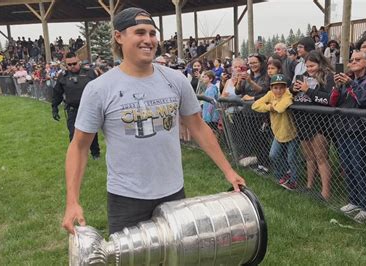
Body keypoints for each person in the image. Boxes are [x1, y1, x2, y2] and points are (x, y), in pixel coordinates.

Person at [61, 7, 246, 235]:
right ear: (119, 37)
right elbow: (79, 146)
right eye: (140, 32)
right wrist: (72, 201)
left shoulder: (175, 80)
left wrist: (228, 170)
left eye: (152, 33)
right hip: (126, 199)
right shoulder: (99, 89)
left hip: (173, 194)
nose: (148, 40)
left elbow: (197, 126)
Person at [330, 50, 366, 222]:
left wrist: (351, 83)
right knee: (348, 166)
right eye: (351, 59)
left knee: (361, 167)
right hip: (342, 128)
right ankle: (354, 200)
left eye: (357, 60)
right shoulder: (346, 79)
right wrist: (337, 87)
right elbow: (333, 102)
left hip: (360, 130)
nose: (352, 62)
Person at [291, 51, 334, 199]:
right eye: (307, 66)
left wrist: (307, 90)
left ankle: (325, 192)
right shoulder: (302, 77)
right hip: (302, 121)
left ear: (320, 63)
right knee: (309, 156)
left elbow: (328, 99)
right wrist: (293, 90)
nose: (309, 69)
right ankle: (309, 186)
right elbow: (291, 95)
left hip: (319, 122)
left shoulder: (328, 77)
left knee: (321, 156)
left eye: (312, 65)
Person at [51, 52, 101, 160]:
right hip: (73, 109)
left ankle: (95, 153)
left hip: (89, 109)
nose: (72, 66)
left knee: (91, 132)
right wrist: (54, 108)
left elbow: (100, 89)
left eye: (74, 63)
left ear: (79, 61)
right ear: (66, 64)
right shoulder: (63, 76)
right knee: (73, 134)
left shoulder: (90, 73)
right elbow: (57, 93)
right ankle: (76, 157)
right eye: (69, 65)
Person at [252, 74, 298, 190]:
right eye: (275, 88)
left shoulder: (288, 95)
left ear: (286, 87)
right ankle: (285, 173)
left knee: (291, 158)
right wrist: (269, 107)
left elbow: (281, 108)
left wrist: (273, 105)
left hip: (292, 132)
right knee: (273, 155)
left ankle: (294, 181)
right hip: (278, 132)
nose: (278, 90)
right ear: (271, 88)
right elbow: (255, 105)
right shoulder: (270, 94)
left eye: (281, 87)